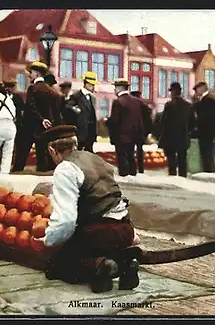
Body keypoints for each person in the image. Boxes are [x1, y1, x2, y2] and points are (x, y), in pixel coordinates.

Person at [34, 125, 139, 293]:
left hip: (100, 232)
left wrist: (48, 240)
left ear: (52, 149)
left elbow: (66, 220)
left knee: (56, 267)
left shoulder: (65, 168)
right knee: (85, 246)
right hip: (126, 228)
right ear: (75, 145)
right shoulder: (94, 159)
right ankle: (125, 264)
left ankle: (101, 267)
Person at [12, 61, 62, 172]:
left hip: (29, 129)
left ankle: (15, 174)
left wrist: (41, 119)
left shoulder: (33, 88)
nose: (29, 74)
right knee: (42, 157)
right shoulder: (51, 91)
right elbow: (55, 113)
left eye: (31, 72)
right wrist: (47, 122)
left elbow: (31, 107)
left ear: (38, 74)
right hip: (44, 130)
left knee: (21, 157)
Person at [105, 79, 145, 177]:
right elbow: (145, 114)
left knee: (122, 159)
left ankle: (124, 176)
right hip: (134, 136)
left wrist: (107, 121)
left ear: (119, 88)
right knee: (131, 157)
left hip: (121, 136)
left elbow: (114, 121)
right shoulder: (136, 101)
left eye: (115, 88)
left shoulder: (118, 102)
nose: (114, 90)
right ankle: (132, 175)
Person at [158, 83, 194, 177]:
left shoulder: (169, 105)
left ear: (173, 92)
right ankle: (183, 177)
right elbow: (193, 123)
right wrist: (187, 131)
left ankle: (173, 177)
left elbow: (163, 121)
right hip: (183, 137)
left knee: (171, 161)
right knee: (182, 159)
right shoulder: (188, 105)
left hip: (170, 138)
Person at [64, 71, 99, 152]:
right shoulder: (76, 96)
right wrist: (76, 110)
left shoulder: (92, 98)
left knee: (89, 156)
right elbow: (68, 107)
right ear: (86, 84)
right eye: (92, 85)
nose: (94, 87)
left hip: (90, 134)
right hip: (80, 133)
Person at [192, 81, 215, 172]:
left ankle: (208, 172)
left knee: (206, 154)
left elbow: (205, 117)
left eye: (197, 90)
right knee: (207, 154)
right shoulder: (207, 99)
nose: (196, 92)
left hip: (206, 132)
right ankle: (209, 170)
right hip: (207, 132)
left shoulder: (208, 99)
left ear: (202, 88)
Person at [130, 90, 153, 174]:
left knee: (131, 151)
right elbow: (149, 121)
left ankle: (132, 169)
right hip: (141, 132)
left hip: (132, 132)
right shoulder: (144, 106)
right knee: (140, 151)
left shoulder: (132, 105)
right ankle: (140, 169)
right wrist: (147, 132)